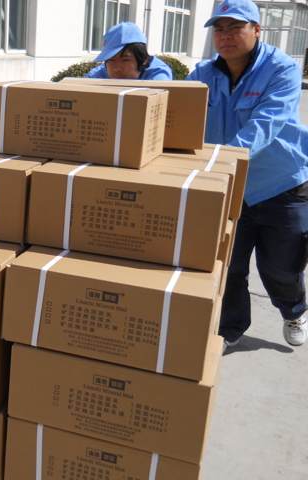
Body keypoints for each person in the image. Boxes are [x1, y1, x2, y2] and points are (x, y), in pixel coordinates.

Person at [187, 0, 308, 350]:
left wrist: (222, 160)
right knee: (230, 265)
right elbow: (177, 109)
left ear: (256, 29)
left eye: (235, 28)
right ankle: (231, 327)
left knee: (280, 268)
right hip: (230, 186)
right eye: (219, 29)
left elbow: (266, 123)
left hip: (281, 184)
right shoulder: (203, 74)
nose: (225, 36)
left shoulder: (281, 69)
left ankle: (294, 311)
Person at [84, 22, 172, 80]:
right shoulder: (102, 71)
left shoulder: (157, 75)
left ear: (144, 60)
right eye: (111, 59)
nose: (117, 68)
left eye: (125, 60)